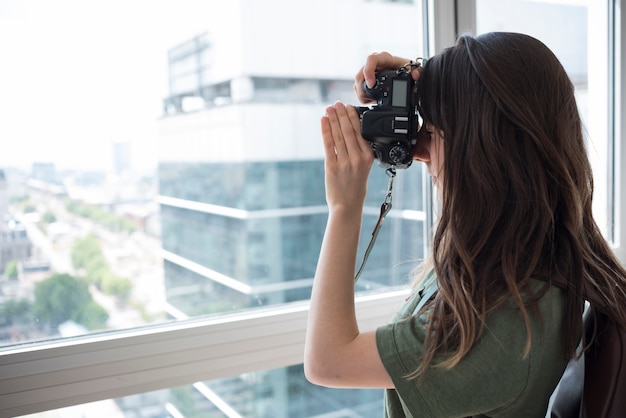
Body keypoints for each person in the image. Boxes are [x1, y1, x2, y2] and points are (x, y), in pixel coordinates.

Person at [304, 32, 626, 417]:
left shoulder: (504, 323)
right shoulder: (522, 254)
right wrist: (430, 84)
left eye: (434, 132)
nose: (419, 152)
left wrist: (344, 206)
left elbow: (328, 361)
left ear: (485, 156)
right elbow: (501, 110)